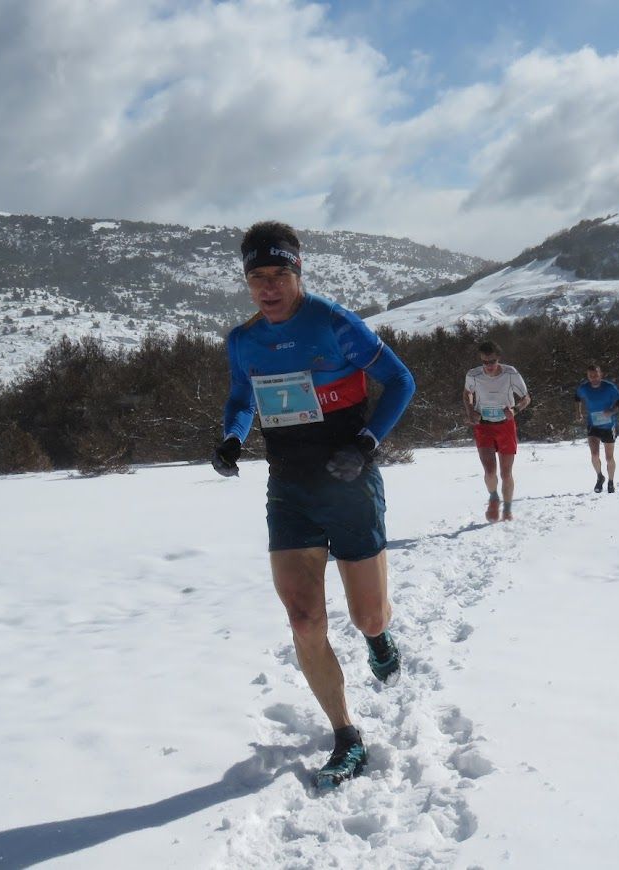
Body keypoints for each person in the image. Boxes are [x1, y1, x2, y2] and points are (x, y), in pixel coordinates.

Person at [210, 220, 416, 791]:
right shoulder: (243, 340)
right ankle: (346, 734)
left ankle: (377, 637)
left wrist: (366, 445)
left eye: (279, 274)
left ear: (298, 272)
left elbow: (401, 381)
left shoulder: (333, 323)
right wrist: (232, 438)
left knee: (368, 615)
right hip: (290, 490)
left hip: (349, 484)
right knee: (303, 620)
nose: (268, 287)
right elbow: (240, 398)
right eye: (257, 277)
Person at [463, 341, 530, 521]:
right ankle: (493, 498)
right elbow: (467, 393)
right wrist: (470, 411)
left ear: (498, 358)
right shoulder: (473, 374)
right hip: (483, 426)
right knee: (489, 470)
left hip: (505, 426)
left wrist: (515, 410)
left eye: (492, 361)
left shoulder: (511, 373)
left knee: (506, 473)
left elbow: (526, 398)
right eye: (484, 362)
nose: (488, 365)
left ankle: (507, 509)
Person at [574, 363, 619, 493]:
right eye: (591, 376)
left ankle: (611, 481)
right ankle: (600, 476)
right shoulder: (584, 388)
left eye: (596, 375)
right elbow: (577, 397)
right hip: (593, 425)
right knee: (594, 454)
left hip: (608, 426)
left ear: (600, 375)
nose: (594, 378)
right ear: (588, 376)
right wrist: (578, 412)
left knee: (609, 457)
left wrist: (612, 411)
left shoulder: (609, 387)